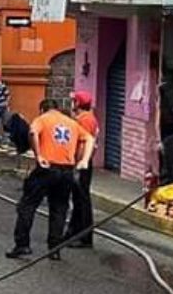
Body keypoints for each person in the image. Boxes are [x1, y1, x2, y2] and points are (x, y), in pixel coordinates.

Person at [6, 99, 94, 261]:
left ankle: (22, 245)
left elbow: (33, 132)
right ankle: (54, 249)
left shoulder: (42, 119)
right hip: (66, 171)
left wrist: (39, 155)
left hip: (47, 168)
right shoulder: (71, 123)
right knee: (59, 209)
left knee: (27, 206)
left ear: (42, 110)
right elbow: (89, 139)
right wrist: (84, 160)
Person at [66, 91, 100, 249]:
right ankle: (73, 232)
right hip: (83, 163)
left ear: (78, 103)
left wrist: (76, 163)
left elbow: (83, 144)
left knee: (81, 200)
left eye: (74, 101)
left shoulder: (84, 120)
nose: (72, 103)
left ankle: (84, 237)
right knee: (78, 199)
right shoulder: (88, 118)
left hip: (81, 163)